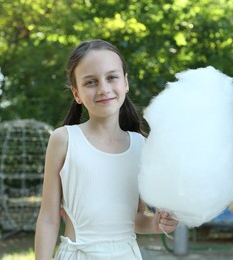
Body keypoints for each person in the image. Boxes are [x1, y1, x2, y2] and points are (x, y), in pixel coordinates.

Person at [34, 39, 178, 259]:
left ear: (126, 83)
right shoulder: (63, 140)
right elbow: (48, 219)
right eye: (90, 82)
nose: (104, 89)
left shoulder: (141, 146)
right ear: (76, 93)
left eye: (112, 77)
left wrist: (158, 224)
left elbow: (136, 219)